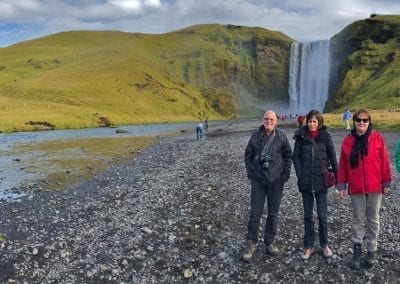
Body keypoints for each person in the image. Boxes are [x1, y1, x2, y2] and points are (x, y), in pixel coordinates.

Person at [337, 109, 392, 269]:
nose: (362, 123)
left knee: (373, 219)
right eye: (358, 120)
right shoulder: (347, 142)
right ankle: (357, 251)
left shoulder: (377, 138)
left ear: (369, 122)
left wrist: (386, 182)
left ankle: (371, 251)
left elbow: (384, 161)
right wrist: (342, 185)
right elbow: (343, 166)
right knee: (357, 219)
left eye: (365, 120)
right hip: (356, 188)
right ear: (353, 121)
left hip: (375, 186)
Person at [242, 110, 292, 262]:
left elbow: (288, 156)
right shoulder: (255, 137)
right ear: (262, 120)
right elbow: (247, 156)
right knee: (255, 213)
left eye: (271, 119)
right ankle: (251, 243)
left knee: (273, 213)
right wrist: (251, 173)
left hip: (276, 181)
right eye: (266, 119)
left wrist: (285, 174)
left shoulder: (282, 137)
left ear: (276, 121)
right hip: (258, 180)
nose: (268, 121)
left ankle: (269, 242)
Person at [292, 110, 338, 260]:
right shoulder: (301, 136)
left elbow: (332, 156)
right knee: (308, 216)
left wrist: (339, 178)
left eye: (315, 121)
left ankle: (324, 244)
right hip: (305, 181)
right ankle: (309, 246)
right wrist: (300, 173)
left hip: (321, 181)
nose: (312, 124)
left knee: (323, 216)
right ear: (307, 122)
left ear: (319, 122)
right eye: (310, 121)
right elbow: (295, 157)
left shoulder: (326, 136)